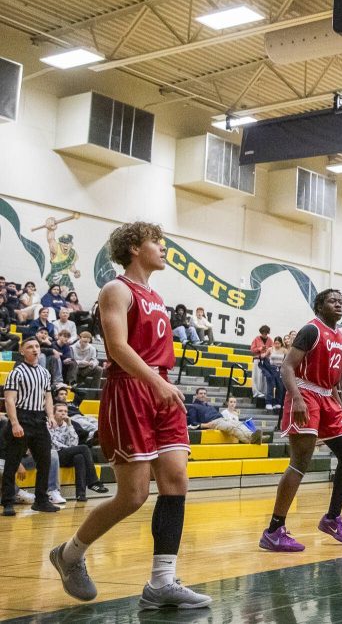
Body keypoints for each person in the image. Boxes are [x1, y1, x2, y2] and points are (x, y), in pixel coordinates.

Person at [49, 222, 211, 609]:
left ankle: (162, 581)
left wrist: (161, 383)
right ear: (135, 248)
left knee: (176, 481)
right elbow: (118, 346)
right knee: (133, 495)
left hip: (161, 389)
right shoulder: (116, 289)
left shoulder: (156, 294)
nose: (163, 248)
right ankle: (69, 554)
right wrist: (154, 381)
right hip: (131, 391)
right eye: (157, 242)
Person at [260, 290, 342, 552]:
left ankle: (332, 518)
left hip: (328, 397)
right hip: (305, 393)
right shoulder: (311, 330)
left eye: (341, 300)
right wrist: (297, 398)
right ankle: (273, 529)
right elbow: (287, 367)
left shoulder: (340, 335)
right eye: (332, 301)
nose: (338, 304)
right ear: (319, 306)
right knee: (300, 463)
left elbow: (333, 377)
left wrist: (338, 404)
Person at [1, 338, 60, 516]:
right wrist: (15, 423)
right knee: (12, 462)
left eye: (37, 346)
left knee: (45, 460)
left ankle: (41, 500)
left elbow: (48, 397)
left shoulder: (44, 372)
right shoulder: (16, 373)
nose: (35, 349)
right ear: (22, 351)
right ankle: (8, 502)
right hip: (22, 417)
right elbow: (9, 400)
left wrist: (50, 415)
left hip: (39, 419)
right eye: (30, 347)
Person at [49, 402, 107, 502]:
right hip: (54, 455)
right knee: (84, 448)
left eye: (65, 411)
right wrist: (68, 448)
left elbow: (74, 443)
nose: (63, 413)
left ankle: (81, 494)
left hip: (65, 454)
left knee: (79, 457)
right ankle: (93, 482)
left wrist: (70, 425)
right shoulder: (48, 424)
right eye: (60, 411)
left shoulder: (67, 425)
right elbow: (53, 443)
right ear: (53, 413)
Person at [187, 388, 261, 444]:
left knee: (239, 424)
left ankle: (253, 435)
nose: (203, 395)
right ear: (196, 395)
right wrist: (206, 425)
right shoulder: (193, 407)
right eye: (201, 393)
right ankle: (251, 440)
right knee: (231, 427)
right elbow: (193, 423)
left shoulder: (209, 406)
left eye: (204, 393)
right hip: (213, 423)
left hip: (222, 419)